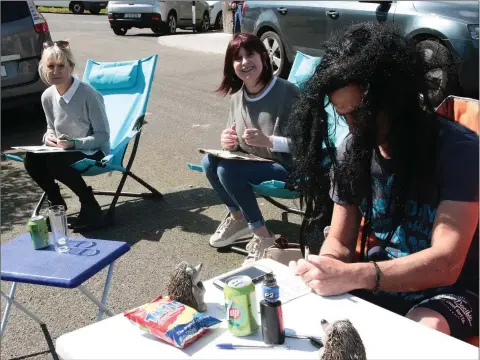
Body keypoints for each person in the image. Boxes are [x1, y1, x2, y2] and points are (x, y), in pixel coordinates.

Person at [288, 22, 479, 341]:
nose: (353, 125)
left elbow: (446, 262)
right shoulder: (353, 150)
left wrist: (354, 275)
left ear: (394, 98)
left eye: (361, 113)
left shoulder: (460, 152)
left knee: (423, 327)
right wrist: (328, 268)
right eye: (343, 114)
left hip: (455, 291)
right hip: (377, 279)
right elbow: (339, 240)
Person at [202, 32, 299, 265]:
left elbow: (310, 144)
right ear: (231, 66)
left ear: (264, 57)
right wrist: (228, 141)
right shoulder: (237, 98)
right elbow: (237, 145)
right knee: (209, 162)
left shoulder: (288, 91)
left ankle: (264, 236)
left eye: (250, 54)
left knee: (227, 170)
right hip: (256, 163)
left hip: (291, 168)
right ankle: (238, 218)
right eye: (238, 58)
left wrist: (270, 141)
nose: (245, 62)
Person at [24, 40, 110, 231]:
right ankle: (57, 204)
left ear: (71, 67)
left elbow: (103, 136)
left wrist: (74, 143)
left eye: (61, 66)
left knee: (56, 162)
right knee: (31, 160)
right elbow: (50, 128)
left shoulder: (89, 94)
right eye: (51, 66)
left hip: (93, 151)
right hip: (63, 151)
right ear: (43, 69)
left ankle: (91, 206)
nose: (55, 71)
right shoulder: (47, 96)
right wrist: (48, 138)